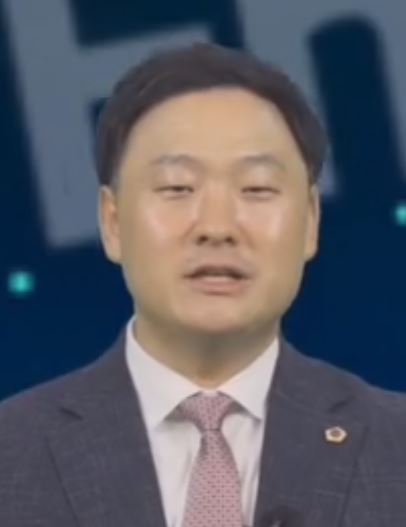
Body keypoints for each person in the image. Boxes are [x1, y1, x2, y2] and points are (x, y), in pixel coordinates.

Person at [1, 43, 406, 527]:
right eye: (177, 188)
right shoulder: (12, 452)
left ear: (311, 222)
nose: (217, 227)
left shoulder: (395, 445)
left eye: (257, 189)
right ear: (111, 222)